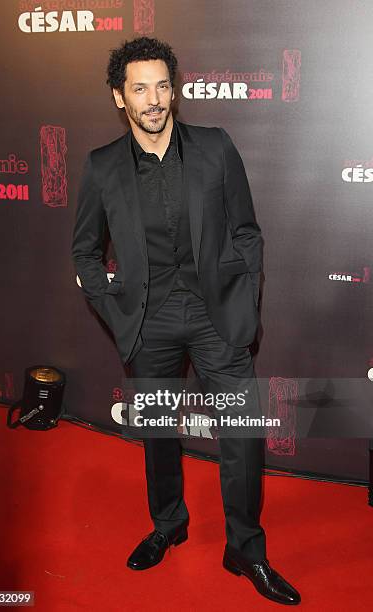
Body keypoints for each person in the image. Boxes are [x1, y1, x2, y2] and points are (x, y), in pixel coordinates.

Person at [71, 36, 300, 606]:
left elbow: (247, 231)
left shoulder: (215, 149)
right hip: (147, 319)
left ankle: (246, 549)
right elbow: (83, 251)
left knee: (243, 434)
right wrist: (114, 305)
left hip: (215, 313)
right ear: (119, 97)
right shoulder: (101, 168)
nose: (153, 99)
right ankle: (169, 523)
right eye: (139, 88)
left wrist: (246, 296)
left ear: (175, 91)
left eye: (162, 86)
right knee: (157, 432)